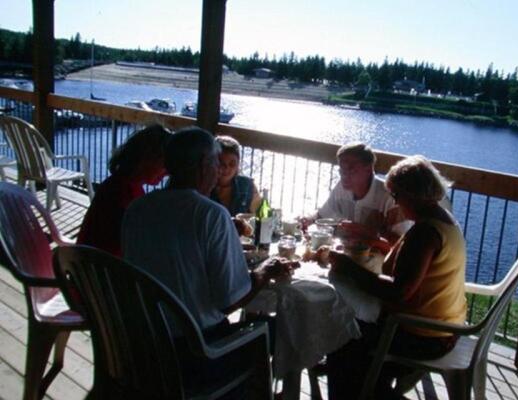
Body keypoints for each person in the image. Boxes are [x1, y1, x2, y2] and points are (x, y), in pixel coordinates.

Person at [121, 127, 294, 396]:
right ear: (204, 164)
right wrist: (264, 270)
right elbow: (231, 300)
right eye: (216, 162)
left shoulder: (137, 208)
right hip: (195, 354)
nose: (219, 171)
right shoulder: (210, 215)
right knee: (279, 331)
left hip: (143, 344)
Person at [326, 155, 467, 400]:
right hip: (446, 327)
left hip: (422, 335)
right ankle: (367, 384)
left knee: (340, 336)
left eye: (396, 196)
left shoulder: (425, 233)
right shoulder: (445, 221)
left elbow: (398, 291)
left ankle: (360, 387)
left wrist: (347, 266)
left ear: (412, 194)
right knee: (348, 330)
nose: (395, 202)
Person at [76, 124, 171, 257]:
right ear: (147, 160)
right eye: (165, 164)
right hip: (104, 271)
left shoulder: (117, 184)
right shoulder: (125, 196)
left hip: (86, 266)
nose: (167, 172)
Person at [304, 142, 409, 250]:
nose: (344, 175)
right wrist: (307, 219)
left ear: (368, 169)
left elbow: (403, 245)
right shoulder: (341, 188)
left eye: (350, 169)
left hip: (378, 261)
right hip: (347, 254)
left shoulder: (389, 197)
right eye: (341, 169)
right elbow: (322, 215)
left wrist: (369, 234)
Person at [210, 135, 261, 216]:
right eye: (221, 164)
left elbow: (261, 215)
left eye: (232, 164)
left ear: (238, 164)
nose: (227, 168)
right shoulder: (204, 186)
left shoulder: (247, 186)